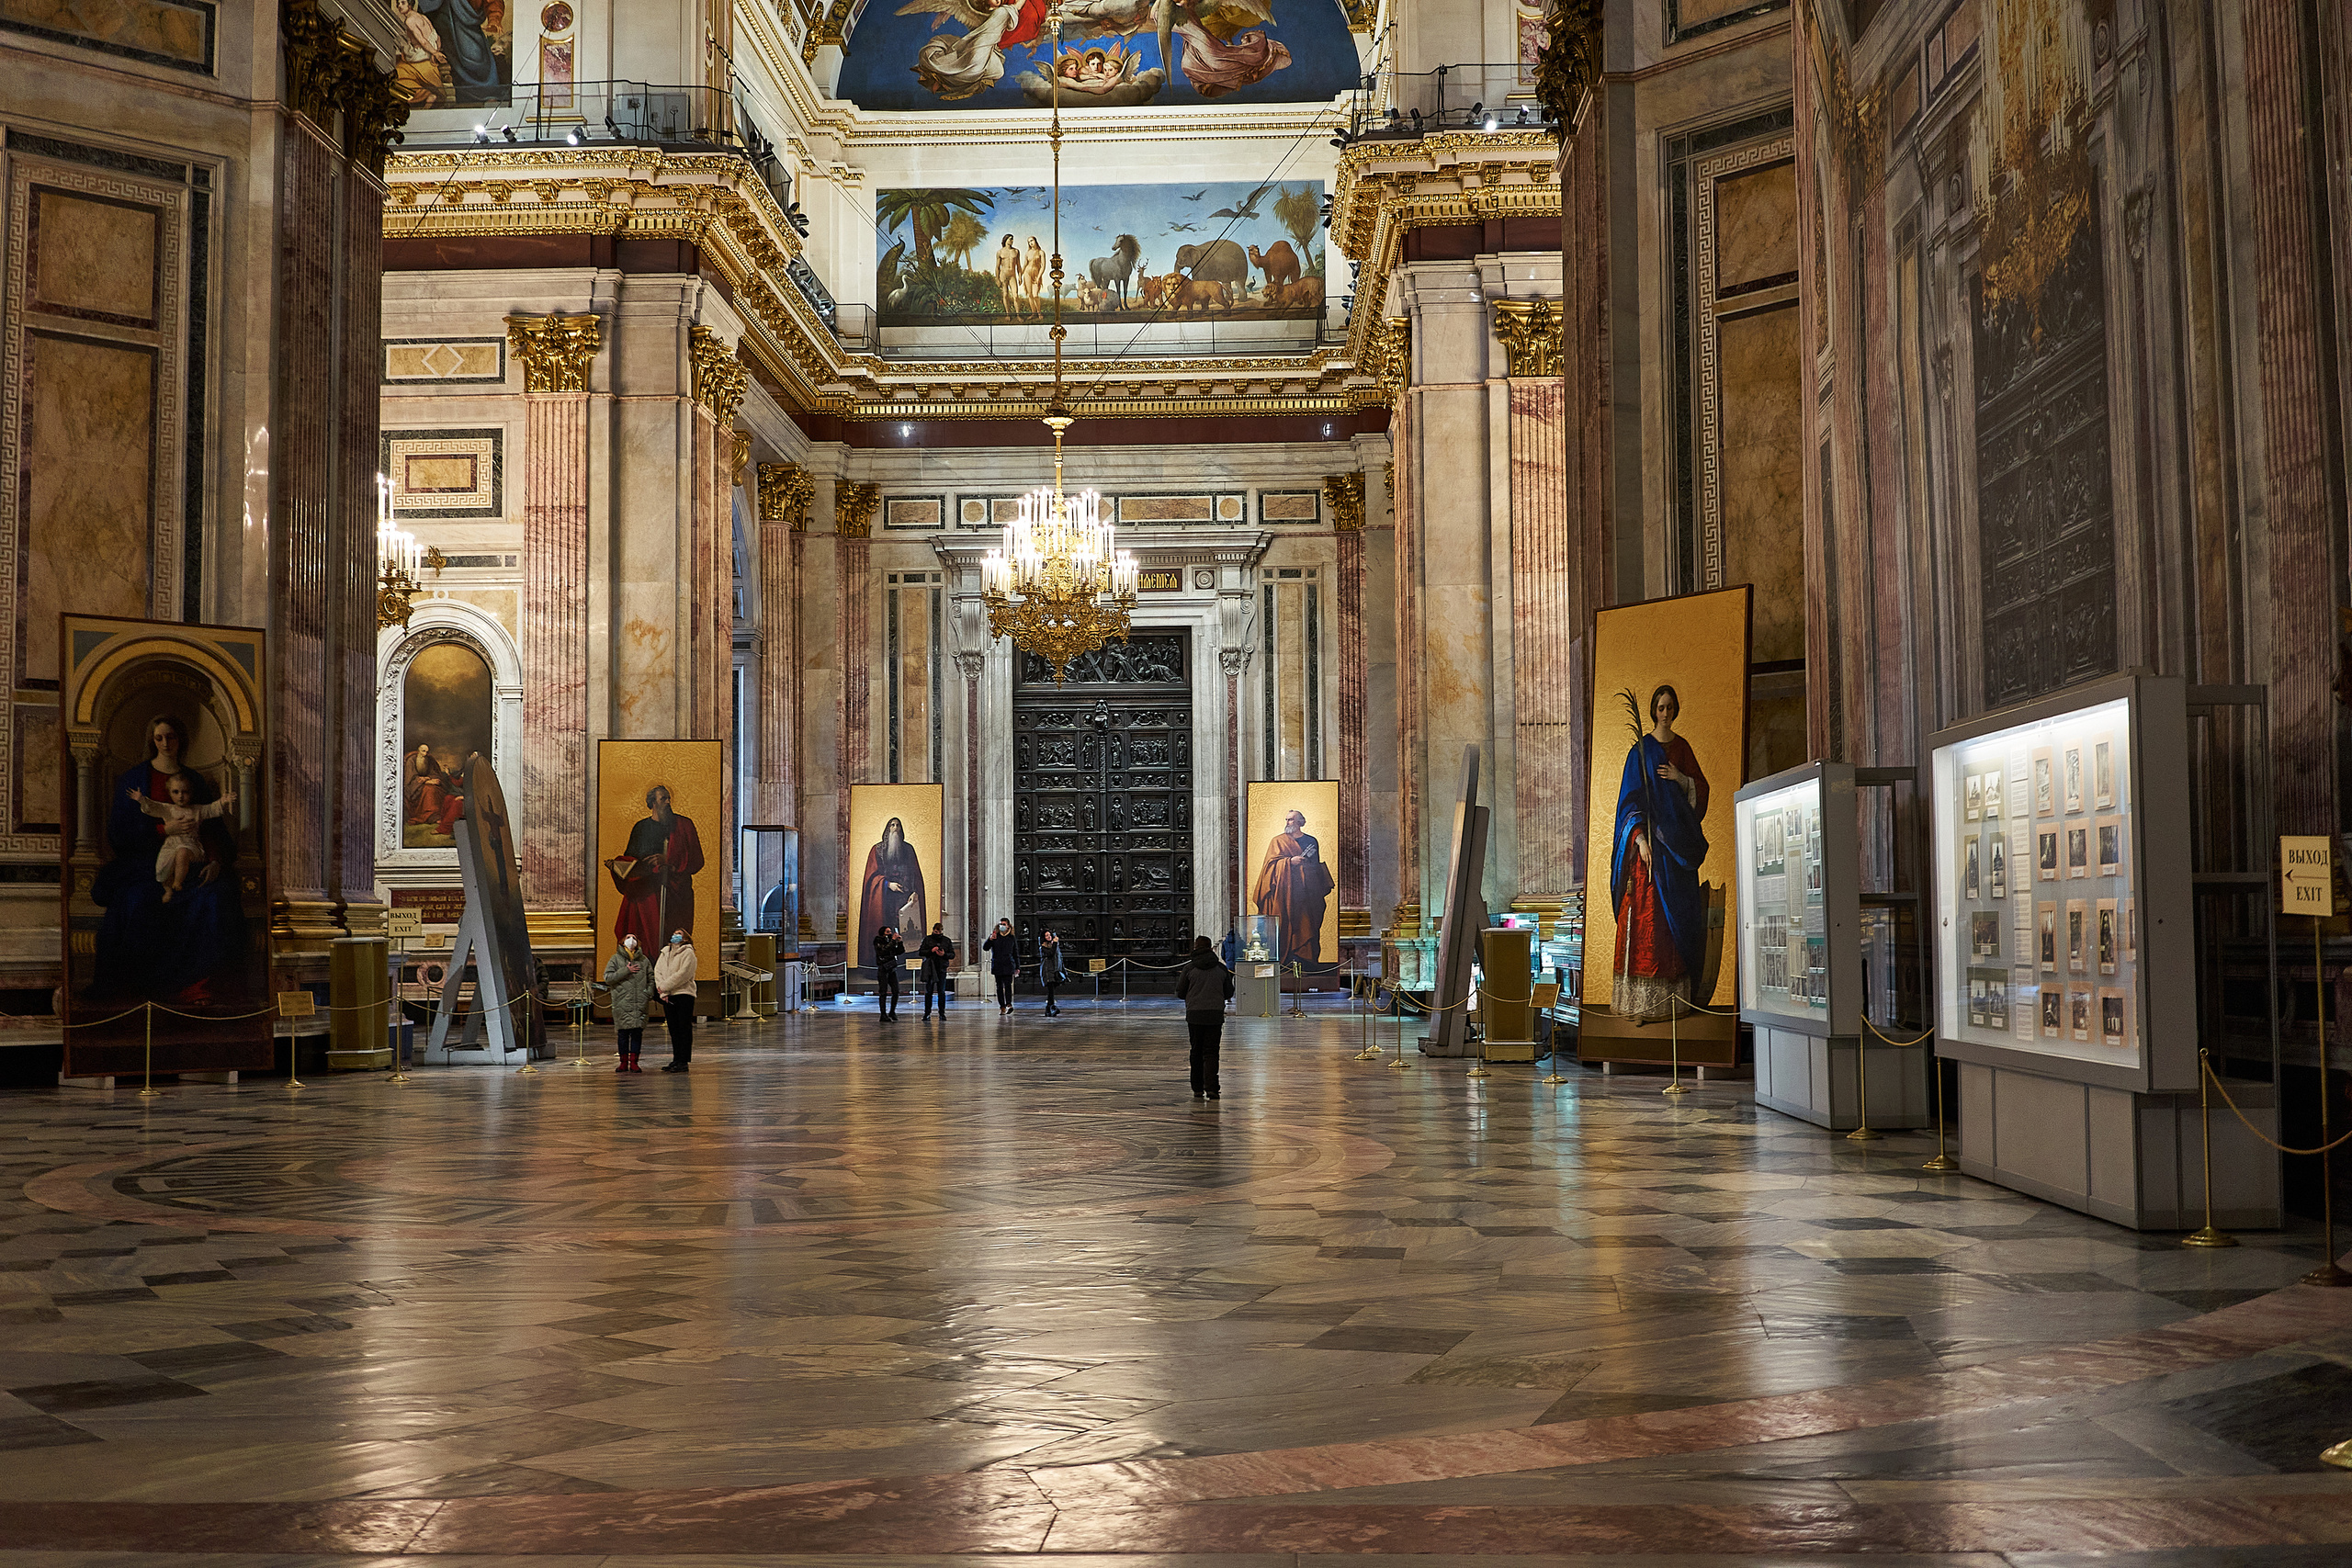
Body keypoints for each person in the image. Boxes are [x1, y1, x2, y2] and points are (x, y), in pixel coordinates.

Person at [90, 713, 249, 1006]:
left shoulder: (194, 780)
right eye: (159, 738)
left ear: (181, 740)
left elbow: (212, 827)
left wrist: (215, 861)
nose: (166, 743)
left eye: (171, 737)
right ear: (152, 741)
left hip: (194, 864)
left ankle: (199, 983)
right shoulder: (135, 779)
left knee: (216, 897)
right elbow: (119, 831)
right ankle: (148, 989)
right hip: (146, 866)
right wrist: (164, 829)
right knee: (137, 901)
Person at [1610, 682, 1711, 1021]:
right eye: (1660, 707)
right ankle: (1641, 1004)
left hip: (1677, 853)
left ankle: (1673, 1003)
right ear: (1653, 711)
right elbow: (1629, 804)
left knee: (1674, 925)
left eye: (1670, 707)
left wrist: (1682, 779)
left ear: (1675, 709)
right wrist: (1639, 840)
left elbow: (1700, 790)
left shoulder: (1681, 748)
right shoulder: (1640, 751)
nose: (1665, 713)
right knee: (1646, 922)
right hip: (1650, 853)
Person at [606, 784, 705, 953]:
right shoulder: (641, 828)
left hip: (676, 895)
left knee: (674, 940)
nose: (668, 802)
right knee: (646, 940)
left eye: (669, 798)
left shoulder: (684, 825)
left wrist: (668, 860)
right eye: (663, 799)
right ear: (652, 802)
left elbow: (697, 860)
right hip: (646, 895)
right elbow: (633, 862)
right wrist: (617, 866)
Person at [127, 774, 237, 903]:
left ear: (191, 792)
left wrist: (223, 801)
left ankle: (178, 883)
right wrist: (141, 799)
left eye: (185, 792)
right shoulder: (167, 808)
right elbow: (153, 807)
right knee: (163, 866)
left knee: (182, 853)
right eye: (176, 792)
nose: (180, 796)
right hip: (171, 845)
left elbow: (212, 809)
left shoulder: (197, 810)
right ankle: (168, 889)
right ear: (170, 793)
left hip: (190, 845)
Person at [1251, 808, 1334, 970]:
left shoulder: (1311, 841)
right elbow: (1269, 866)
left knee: (1307, 925)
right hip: (1284, 895)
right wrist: (1289, 862)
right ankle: (1286, 959)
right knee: (1284, 924)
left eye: (1291, 820)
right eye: (1286, 819)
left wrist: (1305, 867)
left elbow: (1315, 867)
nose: (1287, 823)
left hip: (1307, 894)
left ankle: (1305, 960)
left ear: (1300, 822)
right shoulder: (1278, 841)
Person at [857, 818, 928, 973]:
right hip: (884, 900)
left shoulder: (908, 849)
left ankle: (905, 969)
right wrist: (887, 884)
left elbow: (915, 875)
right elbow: (871, 877)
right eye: (892, 825)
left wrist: (915, 892)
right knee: (887, 932)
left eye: (898, 826)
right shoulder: (877, 850)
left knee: (906, 933)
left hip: (905, 900)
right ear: (888, 829)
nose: (895, 828)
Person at [1174, 935, 1235, 1100]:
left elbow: (1180, 992)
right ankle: (1212, 1089)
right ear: (1211, 948)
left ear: (1196, 947)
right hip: (1214, 1015)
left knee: (1196, 1051)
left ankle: (1197, 1088)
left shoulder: (1189, 968)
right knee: (1212, 1052)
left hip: (1195, 1014)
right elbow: (1229, 992)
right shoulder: (1221, 969)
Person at [602, 932, 652, 1073]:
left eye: (634, 938)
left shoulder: (644, 960)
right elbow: (608, 977)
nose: (631, 940)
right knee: (623, 1034)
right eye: (628, 938)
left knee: (637, 1033)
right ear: (622, 942)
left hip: (639, 1002)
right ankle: (623, 1062)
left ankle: (634, 1062)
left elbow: (651, 978)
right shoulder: (615, 959)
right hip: (622, 1002)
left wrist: (648, 993)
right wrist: (626, 970)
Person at [653, 929, 697, 1072]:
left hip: (684, 994)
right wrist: (662, 990)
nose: (675, 935)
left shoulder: (688, 952)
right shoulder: (665, 952)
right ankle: (676, 1058)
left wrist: (665, 986)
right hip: (668, 994)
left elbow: (684, 974)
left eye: (679, 933)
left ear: (685, 938)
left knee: (683, 1028)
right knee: (673, 1028)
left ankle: (684, 1061)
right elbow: (658, 971)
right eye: (674, 933)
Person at [918, 922, 956, 1019]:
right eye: (936, 931)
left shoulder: (946, 940)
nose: (938, 933)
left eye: (939, 931)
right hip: (930, 968)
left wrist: (944, 954)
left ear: (942, 931)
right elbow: (921, 952)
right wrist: (931, 950)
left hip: (941, 968)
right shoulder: (927, 939)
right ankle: (927, 1013)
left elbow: (952, 954)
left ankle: (942, 1013)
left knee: (941, 991)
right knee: (928, 992)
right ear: (933, 930)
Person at [982, 919, 1019, 1015]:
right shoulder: (995, 936)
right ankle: (1002, 1006)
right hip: (997, 964)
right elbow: (985, 948)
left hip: (1008, 964)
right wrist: (989, 939)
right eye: (1000, 924)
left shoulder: (1011, 937)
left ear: (1008, 926)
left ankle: (1009, 1004)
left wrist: (1017, 967)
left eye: (1004, 924)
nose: (1001, 926)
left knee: (1008, 986)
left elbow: (1015, 953)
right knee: (999, 987)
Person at [873, 924, 906, 1021]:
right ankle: (883, 1014)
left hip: (892, 968)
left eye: (890, 932)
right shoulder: (878, 940)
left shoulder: (890, 941)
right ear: (883, 933)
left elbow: (899, 952)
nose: (890, 933)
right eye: (888, 932)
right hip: (883, 968)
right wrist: (893, 941)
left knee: (896, 991)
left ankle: (892, 1011)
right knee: (883, 992)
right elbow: (883, 951)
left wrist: (899, 942)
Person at [1038, 930, 1067, 1016]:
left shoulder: (1054, 945)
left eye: (1049, 935)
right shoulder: (1043, 947)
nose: (1049, 937)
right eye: (1047, 935)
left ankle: (1048, 1009)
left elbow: (1059, 957)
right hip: (1047, 971)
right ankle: (1052, 1007)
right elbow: (1050, 953)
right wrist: (1054, 943)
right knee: (1050, 990)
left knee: (1052, 991)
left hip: (1055, 970)